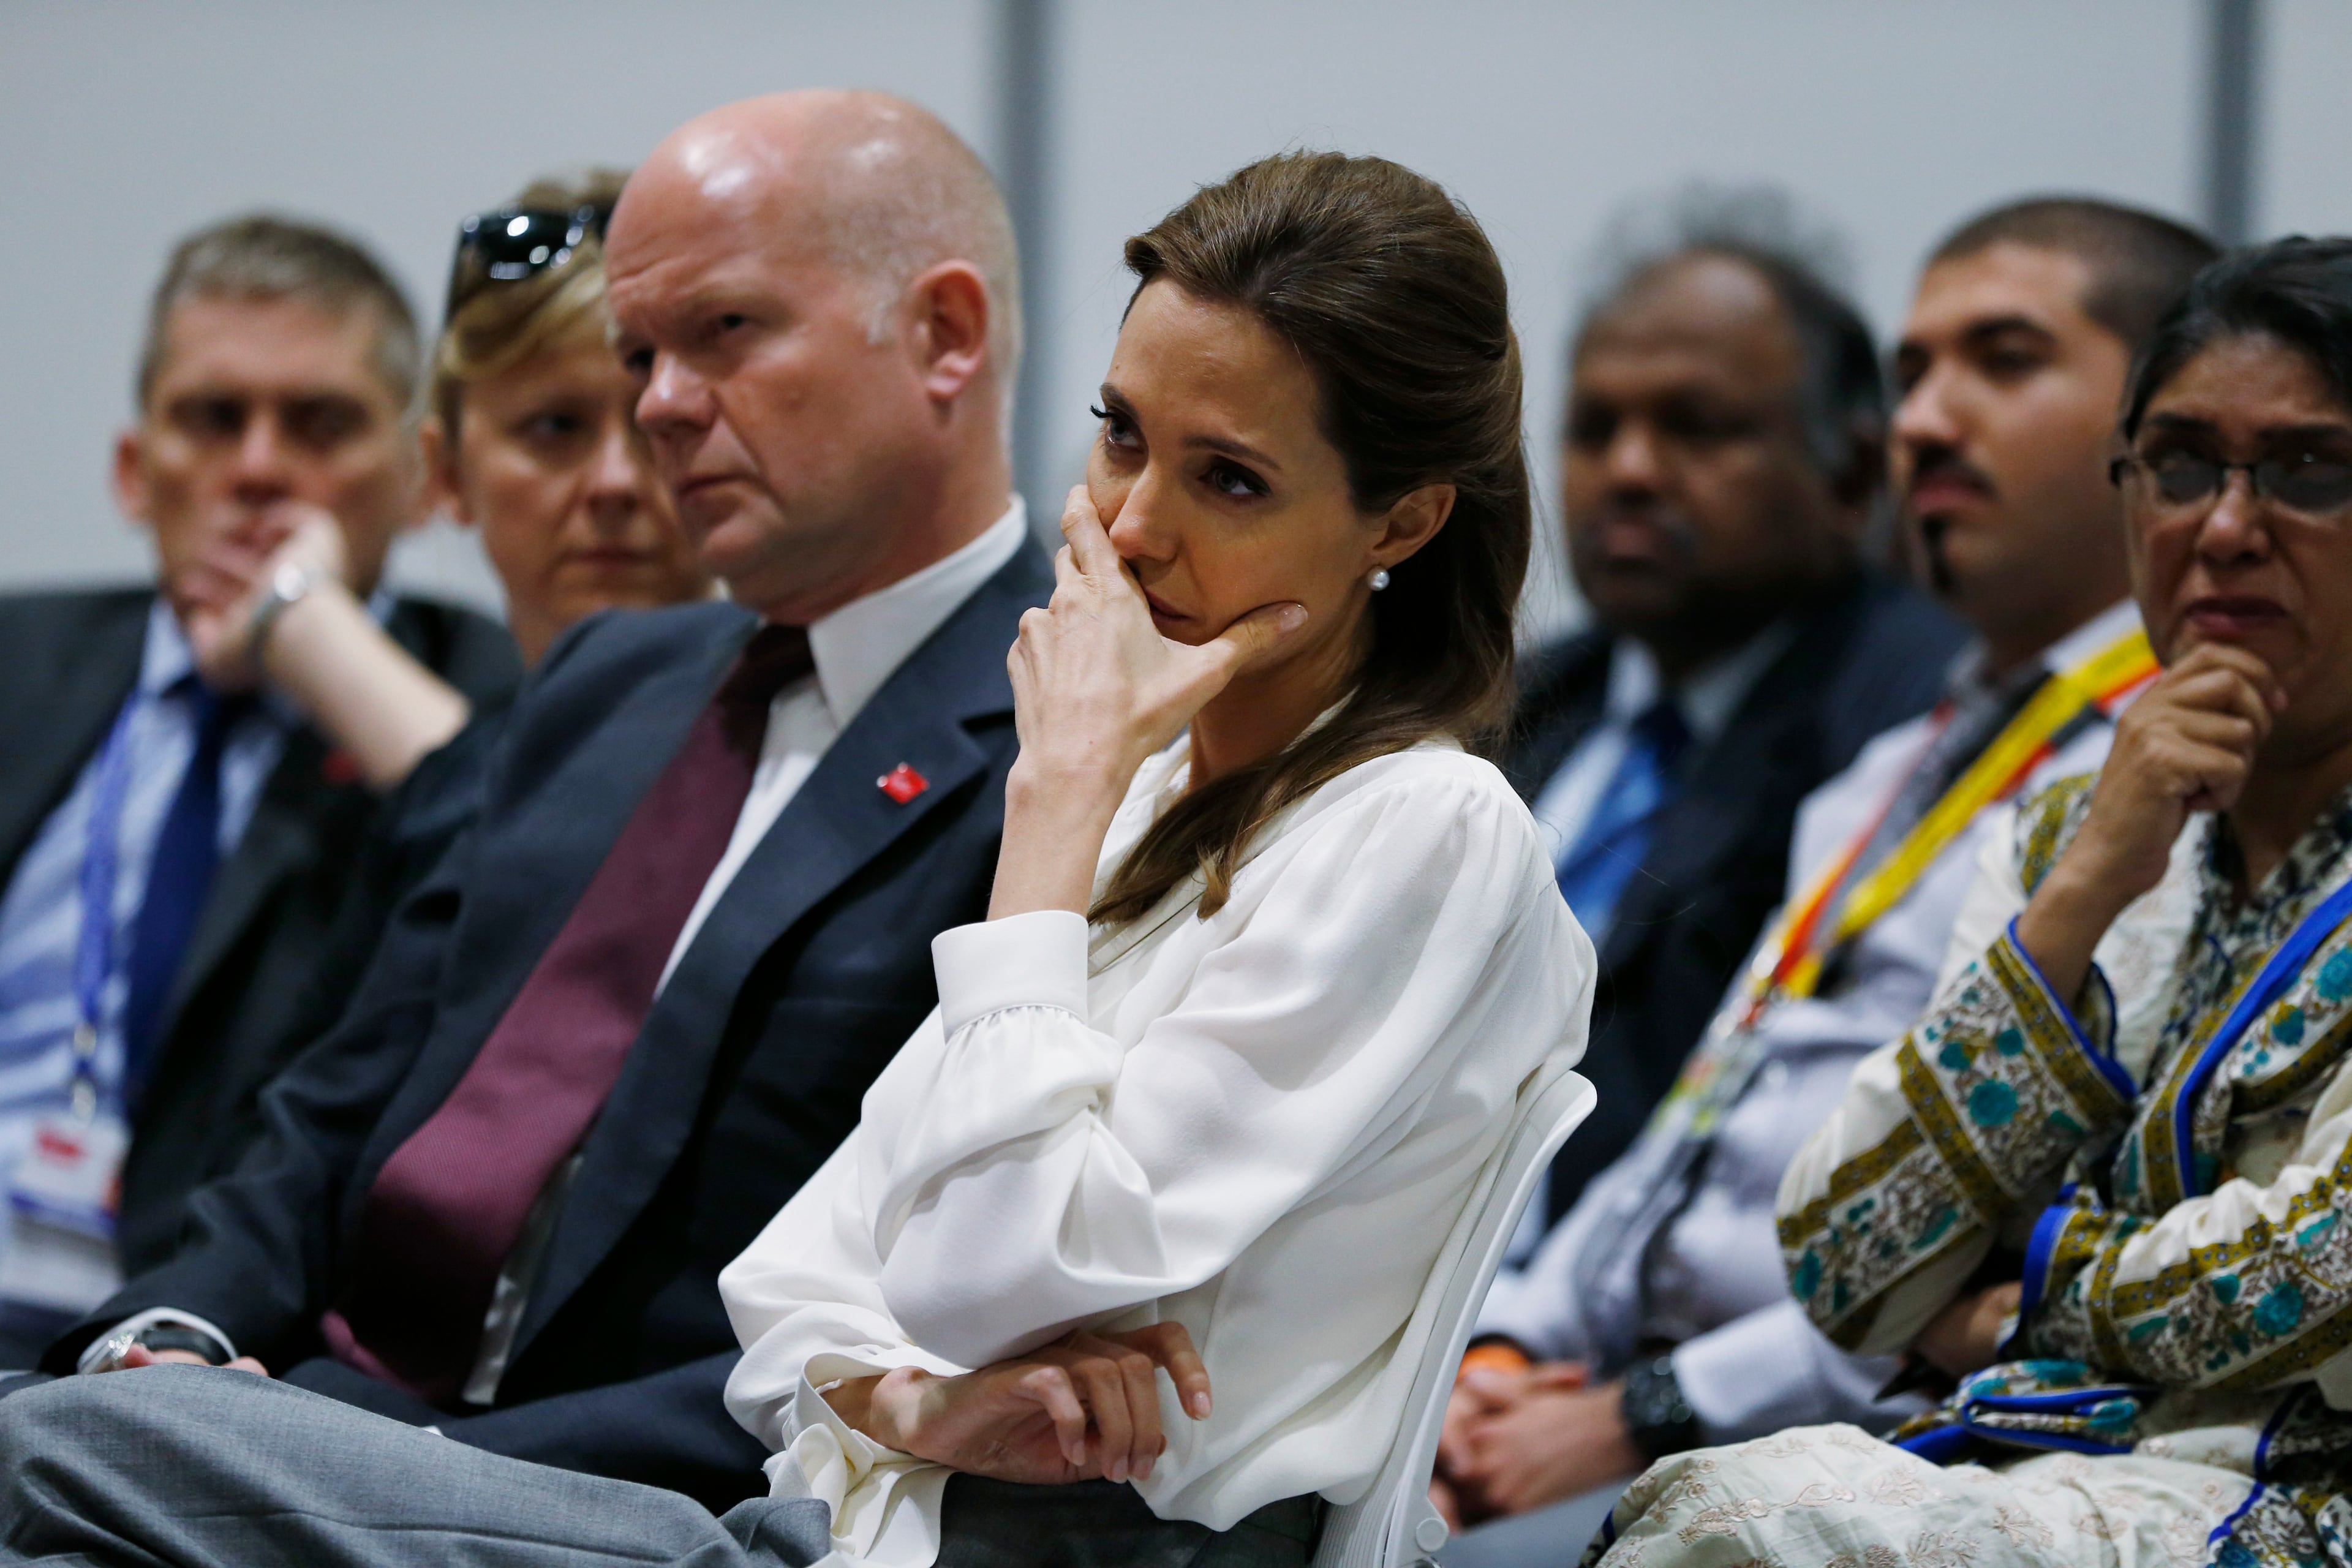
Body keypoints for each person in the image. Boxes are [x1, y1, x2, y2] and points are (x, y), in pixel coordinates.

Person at [0, 146, 1594, 1568]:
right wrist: (908, 1396)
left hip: (920, 1539)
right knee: (74, 1497)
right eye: (1121, 435)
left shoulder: (1413, 827)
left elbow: (994, 1273)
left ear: (1402, 524)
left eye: (1228, 478)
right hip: (838, 1513)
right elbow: (792, 1292)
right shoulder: (1156, 795)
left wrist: (1053, 805)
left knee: (49, 1449)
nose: (1129, 525)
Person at [22, 89, 1047, 1509]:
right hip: (305, 1429)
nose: (660, 407)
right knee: (55, 1430)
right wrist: (176, 1333)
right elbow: (334, 1107)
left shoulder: (1075, 733)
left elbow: (918, 1316)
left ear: (943, 335)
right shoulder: (607, 682)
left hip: (621, 1492)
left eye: (725, 332)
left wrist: (367, 1466)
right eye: (641, 355)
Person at [1434, 198, 2221, 1564]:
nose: (1924, 420)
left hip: (1844, 1434)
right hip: (1610, 1379)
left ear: (2170, 431)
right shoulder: (1910, 753)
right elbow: (1712, 1102)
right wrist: (1509, 1342)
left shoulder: (2175, 775)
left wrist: (1641, 1409)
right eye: (1913, 373)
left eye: (2004, 361)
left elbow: (1989, 1239)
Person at [1588, 234, 2352, 1567]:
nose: (2227, 529)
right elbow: (1847, 1261)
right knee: (1706, 1516)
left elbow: (2319, 1271)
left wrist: (2014, 1296)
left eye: (2309, 471)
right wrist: (2086, 889)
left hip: (2305, 1502)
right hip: (2015, 1461)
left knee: (1743, 1530)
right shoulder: (2074, 828)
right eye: (2179, 466)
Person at [0, 216, 522, 1361]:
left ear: (421, 477)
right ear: (134, 471)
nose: (258, 469)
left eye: (321, 424)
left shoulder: (483, 693)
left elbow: (517, 877)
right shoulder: (20, 662)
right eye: (211, 419)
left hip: (204, 1342)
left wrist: (307, 629)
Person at [1513, 197, 1965, 1220]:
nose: (1630, 470)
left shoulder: (1916, 725)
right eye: (1595, 429)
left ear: (1852, 474)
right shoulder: (1516, 704)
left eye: (1697, 428)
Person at [222, 167, 715, 1086]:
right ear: (443, 475)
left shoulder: (804, 733)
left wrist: (300, 617)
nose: (614, 482)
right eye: (555, 428)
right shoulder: (439, 735)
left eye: (657, 425)